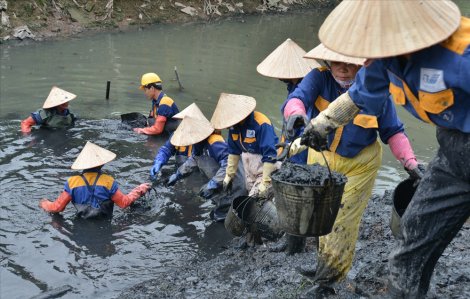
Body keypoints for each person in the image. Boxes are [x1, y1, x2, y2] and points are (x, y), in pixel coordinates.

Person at [302, 1, 468, 298]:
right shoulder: (381, 63)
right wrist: (318, 126)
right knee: (412, 238)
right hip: (452, 153)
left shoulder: (462, 53)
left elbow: (393, 129)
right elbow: (357, 98)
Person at [276, 42, 420, 297]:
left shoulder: (376, 88)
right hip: (323, 158)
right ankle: (324, 265)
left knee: (341, 221)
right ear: (327, 62)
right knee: (320, 214)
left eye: (352, 63)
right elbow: (297, 98)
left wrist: (409, 162)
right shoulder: (319, 78)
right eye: (337, 62)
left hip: (360, 165)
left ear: (364, 64)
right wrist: (296, 113)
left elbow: (394, 132)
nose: (343, 69)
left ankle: (327, 283)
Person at [165, 109, 247, 221]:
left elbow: (230, 165)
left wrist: (211, 185)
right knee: (217, 217)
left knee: (226, 221)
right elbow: (193, 160)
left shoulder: (214, 142)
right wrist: (177, 175)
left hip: (233, 189)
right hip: (222, 190)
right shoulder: (199, 145)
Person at [39, 141, 150, 219]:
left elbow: (58, 207)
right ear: (101, 163)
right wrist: (139, 190)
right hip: (105, 225)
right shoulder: (108, 182)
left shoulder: (72, 182)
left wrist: (45, 203)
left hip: (81, 226)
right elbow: (124, 203)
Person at [256, 38, 321, 165]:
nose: (279, 76)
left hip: (300, 155)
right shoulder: (292, 88)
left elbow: (305, 128)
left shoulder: (307, 93)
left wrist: (292, 152)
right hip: (290, 149)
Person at [210, 93, 279, 199]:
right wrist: (229, 176)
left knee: (254, 201)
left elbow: (270, 154)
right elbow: (233, 152)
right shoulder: (233, 128)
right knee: (252, 197)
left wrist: (265, 182)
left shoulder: (261, 124)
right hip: (249, 169)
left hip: (267, 166)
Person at [150, 103, 208, 179]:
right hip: (180, 172)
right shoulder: (177, 135)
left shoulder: (207, 139)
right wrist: (159, 161)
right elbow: (166, 149)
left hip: (199, 176)